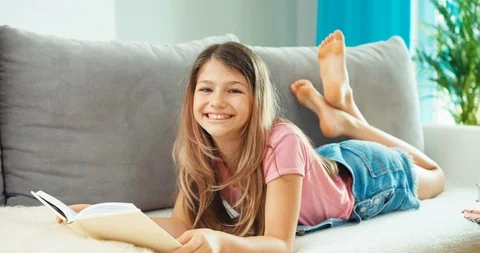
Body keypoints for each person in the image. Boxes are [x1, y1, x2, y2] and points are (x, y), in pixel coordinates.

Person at [63, 30, 445, 253]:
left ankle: (349, 118)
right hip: (316, 167)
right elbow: (180, 221)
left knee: (436, 175)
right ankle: (340, 114)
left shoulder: (282, 141)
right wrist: (102, 217)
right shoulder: (200, 146)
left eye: (233, 91)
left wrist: (221, 242)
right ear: (192, 96)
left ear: (257, 100)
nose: (216, 102)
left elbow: (279, 244)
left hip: (365, 180)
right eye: (206, 89)